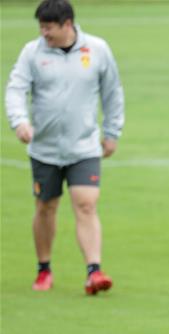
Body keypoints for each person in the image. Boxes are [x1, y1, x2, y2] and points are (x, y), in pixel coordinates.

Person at [5, 0, 124, 294]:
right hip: (44, 149)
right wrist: (19, 121)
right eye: (41, 27)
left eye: (49, 27)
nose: (44, 33)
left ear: (67, 24)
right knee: (46, 207)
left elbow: (112, 92)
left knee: (85, 204)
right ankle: (44, 268)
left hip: (84, 147)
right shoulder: (32, 53)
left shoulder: (96, 50)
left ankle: (94, 271)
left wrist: (111, 132)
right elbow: (16, 88)